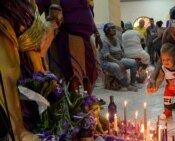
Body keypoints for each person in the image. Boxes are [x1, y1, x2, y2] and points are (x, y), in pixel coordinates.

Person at [0, 0, 61, 140]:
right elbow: (8, 74)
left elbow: (39, 45)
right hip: (16, 95)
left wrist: (53, 21)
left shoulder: (28, 4)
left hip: (38, 80)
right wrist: (18, 130)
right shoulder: (7, 11)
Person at [36, 0, 102, 94]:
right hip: (68, 36)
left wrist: (97, 34)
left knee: (88, 74)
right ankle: (75, 104)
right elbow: (35, 11)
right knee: (73, 76)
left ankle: (88, 102)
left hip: (86, 37)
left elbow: (89, 14)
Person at [147, 43, 175, 122]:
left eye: (168, 59)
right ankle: (168, 112)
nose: (165, 62)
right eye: (163, 60)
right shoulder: (163, 68)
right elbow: (160, 79)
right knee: (167, 98)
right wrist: (156, 86)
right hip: (170, 88)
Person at [100, 23, 138, 92]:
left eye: (114, 28)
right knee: (116, 66)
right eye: (112, 28)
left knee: (133, 62)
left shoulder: (116, 39)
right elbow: (108, 56)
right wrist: (119, 63)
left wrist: (125, 58)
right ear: (107, 31)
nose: (114, 30)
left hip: (118, 59)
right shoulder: (104, 41)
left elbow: (121, 51)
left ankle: (133, 83)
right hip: (107, 62)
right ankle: (127, 85)